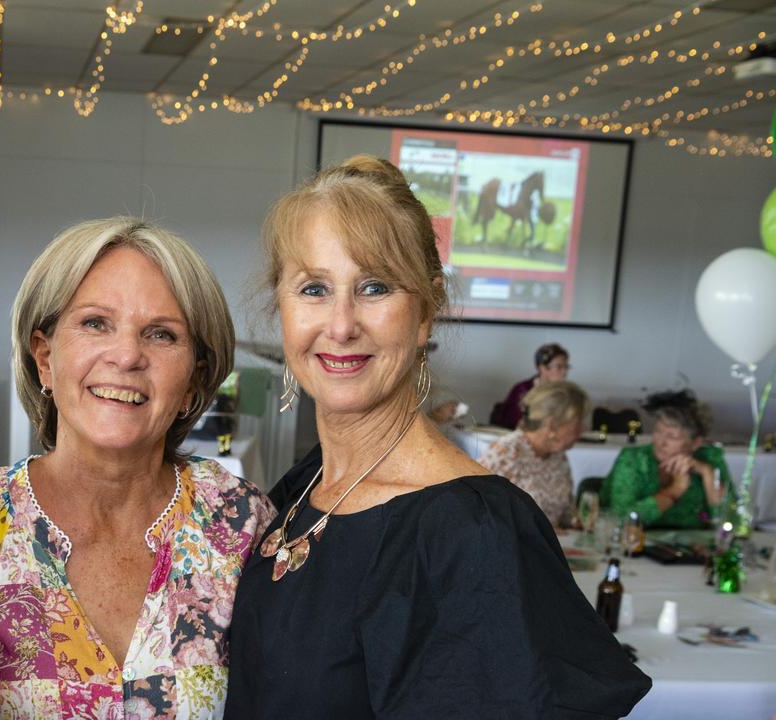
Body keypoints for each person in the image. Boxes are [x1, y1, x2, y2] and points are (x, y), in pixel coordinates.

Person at [225, 156, 650, 718]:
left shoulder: (474, 530)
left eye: (374, 287)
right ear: (279, 305)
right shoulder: (308, 483)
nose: (341, 324)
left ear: (426, 312)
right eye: (313, 289)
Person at [0, 218, 275, 717]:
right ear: (44, 358)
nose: (127, 355)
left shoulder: (241, 521)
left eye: (161, 334)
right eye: (95, 323)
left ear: (195, 379)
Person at [603, 389, 731, 529]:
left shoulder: (710, 459)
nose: (660, 442)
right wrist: (675, 490)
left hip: (695, 547)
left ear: (696, 443)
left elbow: (728, 522)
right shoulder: (634, 460)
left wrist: (707, 474)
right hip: (637, 544)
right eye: (657, 431)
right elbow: (622, 520)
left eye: (672, 437)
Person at [480, 381, 588, 528]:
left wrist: (576, 522)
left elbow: (564, 511)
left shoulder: (558, 456)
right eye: (577, 423)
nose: (583, 429)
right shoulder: (505, 454)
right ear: (552, 425)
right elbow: (480, 517)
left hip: (554, 547)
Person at [491, 342, 570, 429]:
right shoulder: (523, 389)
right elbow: (517, 423)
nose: (564, 372)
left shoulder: (566, 392)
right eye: (559, 367)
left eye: (566, 367)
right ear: (542, 367)